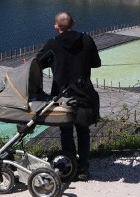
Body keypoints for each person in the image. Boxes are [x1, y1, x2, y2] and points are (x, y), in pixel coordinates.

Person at [37, 12, 101, 181]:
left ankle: (70, 166)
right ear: (74, 22)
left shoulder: (52, 43)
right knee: (83, 130)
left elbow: (39, 63)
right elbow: (97, 63)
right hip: (83, 93)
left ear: (56, 26)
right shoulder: (86, 40)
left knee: (65, 131)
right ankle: (83, 168)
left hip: (62, 95)